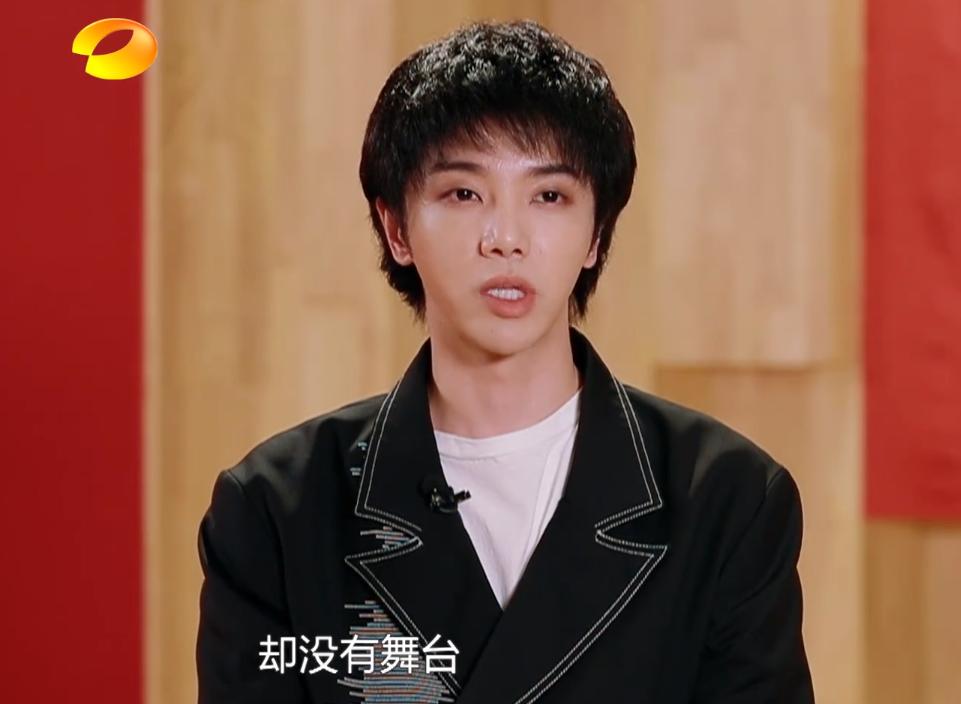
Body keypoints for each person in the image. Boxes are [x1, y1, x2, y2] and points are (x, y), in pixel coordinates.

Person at [196, 19, 815, 704]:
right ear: (397, 229)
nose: (506, 238)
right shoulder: (278, 512)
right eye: (464, 194)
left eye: (549, 196)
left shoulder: (725, 500)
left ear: (595, 235)